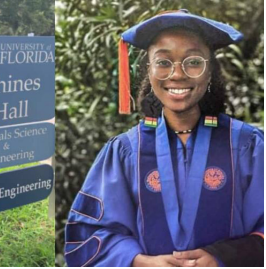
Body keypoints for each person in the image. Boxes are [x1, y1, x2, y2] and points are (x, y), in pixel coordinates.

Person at [64, 9, 263, 267]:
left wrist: (223, 257)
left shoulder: (247, 146)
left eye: (193, 62)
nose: (177, 74)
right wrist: (139, 261)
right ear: (150, 70)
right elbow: (87, 234)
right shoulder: (126, 151)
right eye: (163, 62)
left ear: (210, 71)